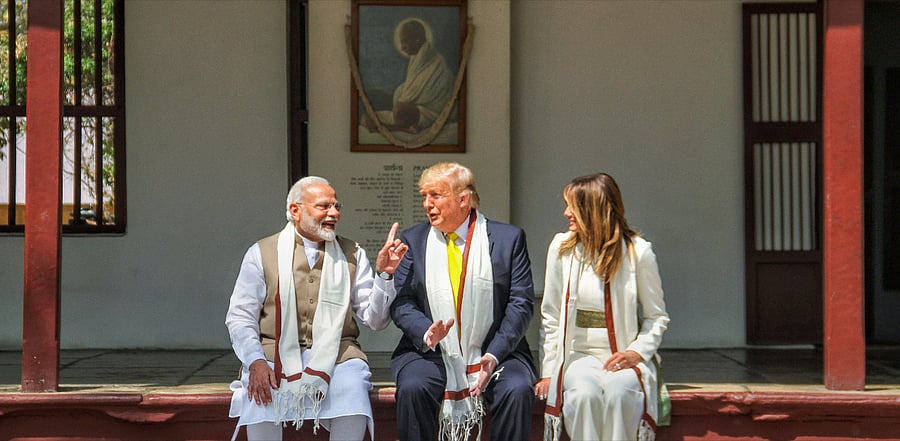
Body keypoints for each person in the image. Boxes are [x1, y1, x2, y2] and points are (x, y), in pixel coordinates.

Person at [225, 176, 408, 441]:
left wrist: (385, 275)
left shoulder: (352, 252)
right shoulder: (262, 252)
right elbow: (240, 317)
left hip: (339, 353)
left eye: (336, 206)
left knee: (352, 387)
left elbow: (375, 319)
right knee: (261, 391)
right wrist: (254, 361)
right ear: (295, 211)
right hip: (271, 351)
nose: (334, 213)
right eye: (324, 206)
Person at [390, 162, 538, 441]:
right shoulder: (414, 239)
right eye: (424, 196)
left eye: (435, 195)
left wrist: (494, 355)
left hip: (497, 349)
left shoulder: (508, 239)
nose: (427, 204)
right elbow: (402, 300)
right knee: (413, 387)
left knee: (516, 389)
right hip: (430, 351)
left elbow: (521, 302)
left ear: (463, 199)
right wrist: (425, 331)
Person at [533, 173, 670, 441]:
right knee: (584, 395)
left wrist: (635, 353)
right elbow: (551, 316)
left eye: (572, 206)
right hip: (578, 355)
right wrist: (549, 371)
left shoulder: (637, 252)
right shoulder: (561, 249)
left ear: (593, 209)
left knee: (621, 393)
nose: (565, 213)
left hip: (621, 355)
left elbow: (657, 317)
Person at [362, 18, 455, 135]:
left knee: (401, 110)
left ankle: (393, 127)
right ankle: (404, 129)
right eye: (401, 42)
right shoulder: (416, 59)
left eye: (405, 41)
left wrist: (401, 104)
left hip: (430, 113)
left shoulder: (435, 62)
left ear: (417, 40)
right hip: (411, 111)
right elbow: (409, 92)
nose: (402, 47)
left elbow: (424, 93)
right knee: (366, 118)